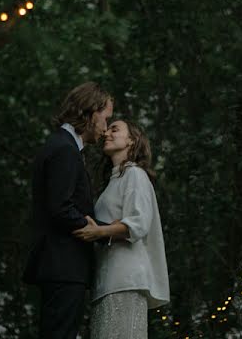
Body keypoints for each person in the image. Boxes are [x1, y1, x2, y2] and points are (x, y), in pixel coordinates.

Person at [23, 82, 114, 339]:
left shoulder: (62, 145)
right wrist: (97, 231)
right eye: (106, 119)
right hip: (63, 264)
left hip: (60, 265)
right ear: (91, 112)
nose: (106, 128)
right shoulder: (64, 149)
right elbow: (60, 207)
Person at [72, 120, 169, 339]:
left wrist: (100, 232)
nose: (106, 132)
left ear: (132, 140)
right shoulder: (113, 182)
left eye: (115, 129)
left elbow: (139, 222)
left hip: (125, 279)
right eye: (107, 129)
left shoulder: (135, 174)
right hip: (106, 280)